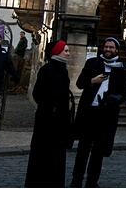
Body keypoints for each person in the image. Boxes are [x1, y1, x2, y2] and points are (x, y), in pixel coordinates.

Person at [70, 37, 126, 188]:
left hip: (106, 115)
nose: (108, 50)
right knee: (83, 149)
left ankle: (92, 182)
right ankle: (76, 181)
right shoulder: (93, 63)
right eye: (106, 47)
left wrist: (114, 100)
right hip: (89, 113)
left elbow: (125, 93)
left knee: (98, 151)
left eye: (111, 47)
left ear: (116, 50)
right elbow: (79, 83)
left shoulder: (122, 68)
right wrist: (93, 81)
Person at [24, 40, 74, 187]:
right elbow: (38, 93)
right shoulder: (47, 69)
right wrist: (52, 108)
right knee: (43, 154)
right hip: (47, 121)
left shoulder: (63, 69)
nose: (68, 53)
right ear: (57, 52)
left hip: (60, 122)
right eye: (65, 50)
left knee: (57, 157)